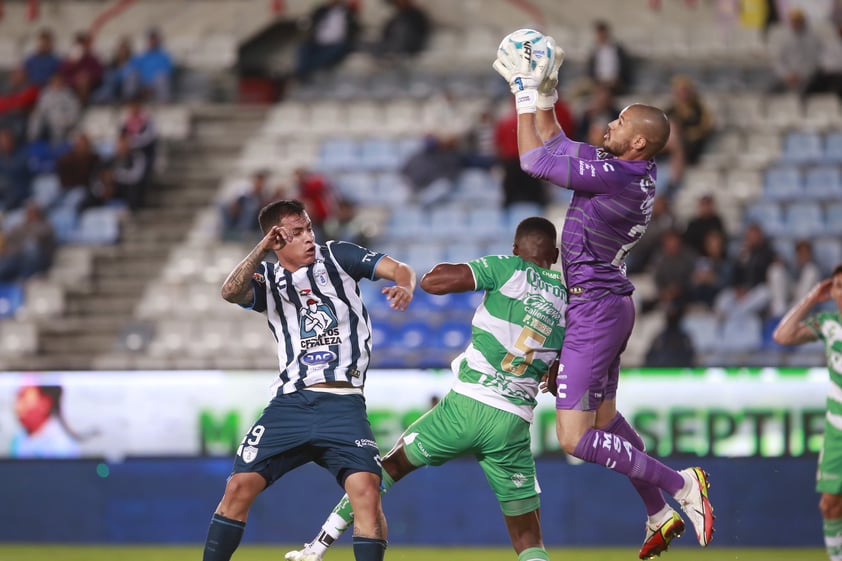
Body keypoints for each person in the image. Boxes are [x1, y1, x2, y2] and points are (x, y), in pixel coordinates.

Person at [493, 35, 714, 558]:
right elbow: (556, 143)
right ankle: (658, 511)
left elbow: (533, 160)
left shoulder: (615, 175)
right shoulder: (630, 169)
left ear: (637, 142)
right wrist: (547, 97)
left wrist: (524, 93)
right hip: (607, 307)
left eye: (618, 124)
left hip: (595, 309)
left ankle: (681, 486)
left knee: (574, 439)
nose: (608, 126)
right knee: (607, 422)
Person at [284, 216, 567, 561]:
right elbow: (564, 370)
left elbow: (434, 282)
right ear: (554, 253)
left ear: (515, 249)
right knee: (528, 539)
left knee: (384, 471)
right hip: (513, 422)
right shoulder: (568, 300)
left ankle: (316, 549)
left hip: (465, 406)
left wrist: (485, 270)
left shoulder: (506, 266)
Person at [202, 199, 416, 561]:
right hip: (291, 404)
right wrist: (260, 249)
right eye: (297, 233)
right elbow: (230, 291)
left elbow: (400, 269)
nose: (308, 238)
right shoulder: (268, 279)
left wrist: (405, 286)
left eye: (309, 229)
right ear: (276, 241)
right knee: (238, 487)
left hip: (343, 404)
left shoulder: (338, 256)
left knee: (366, 493)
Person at [772, 264, 842, 561]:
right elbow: (782, 336)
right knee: (829, 505)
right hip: (837, 431)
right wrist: (812, 297)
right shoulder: (829, 324)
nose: (841, 292)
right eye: (837, 286)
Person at [294, 0, 359, 83]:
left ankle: (305, 71)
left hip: (337, 43)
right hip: (318, 42)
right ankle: (303, 71)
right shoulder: (321, 10)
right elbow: (309, 21)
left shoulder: (347, 12)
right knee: (303, 46)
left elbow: (354, 28)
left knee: (337, 49)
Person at [10, 384, 81, 458]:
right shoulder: (19, 437)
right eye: (18, 400)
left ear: (45, 403)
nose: (17, 407)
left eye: (24, 400)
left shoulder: (62, 446)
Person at [585, 20, 633, 95]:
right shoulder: (595, 52)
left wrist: (617, 80)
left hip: (614, 83)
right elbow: (590, 71)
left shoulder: (617, 50)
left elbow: (624, 69)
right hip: (597, 82)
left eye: (601, 34)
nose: (599, 36)